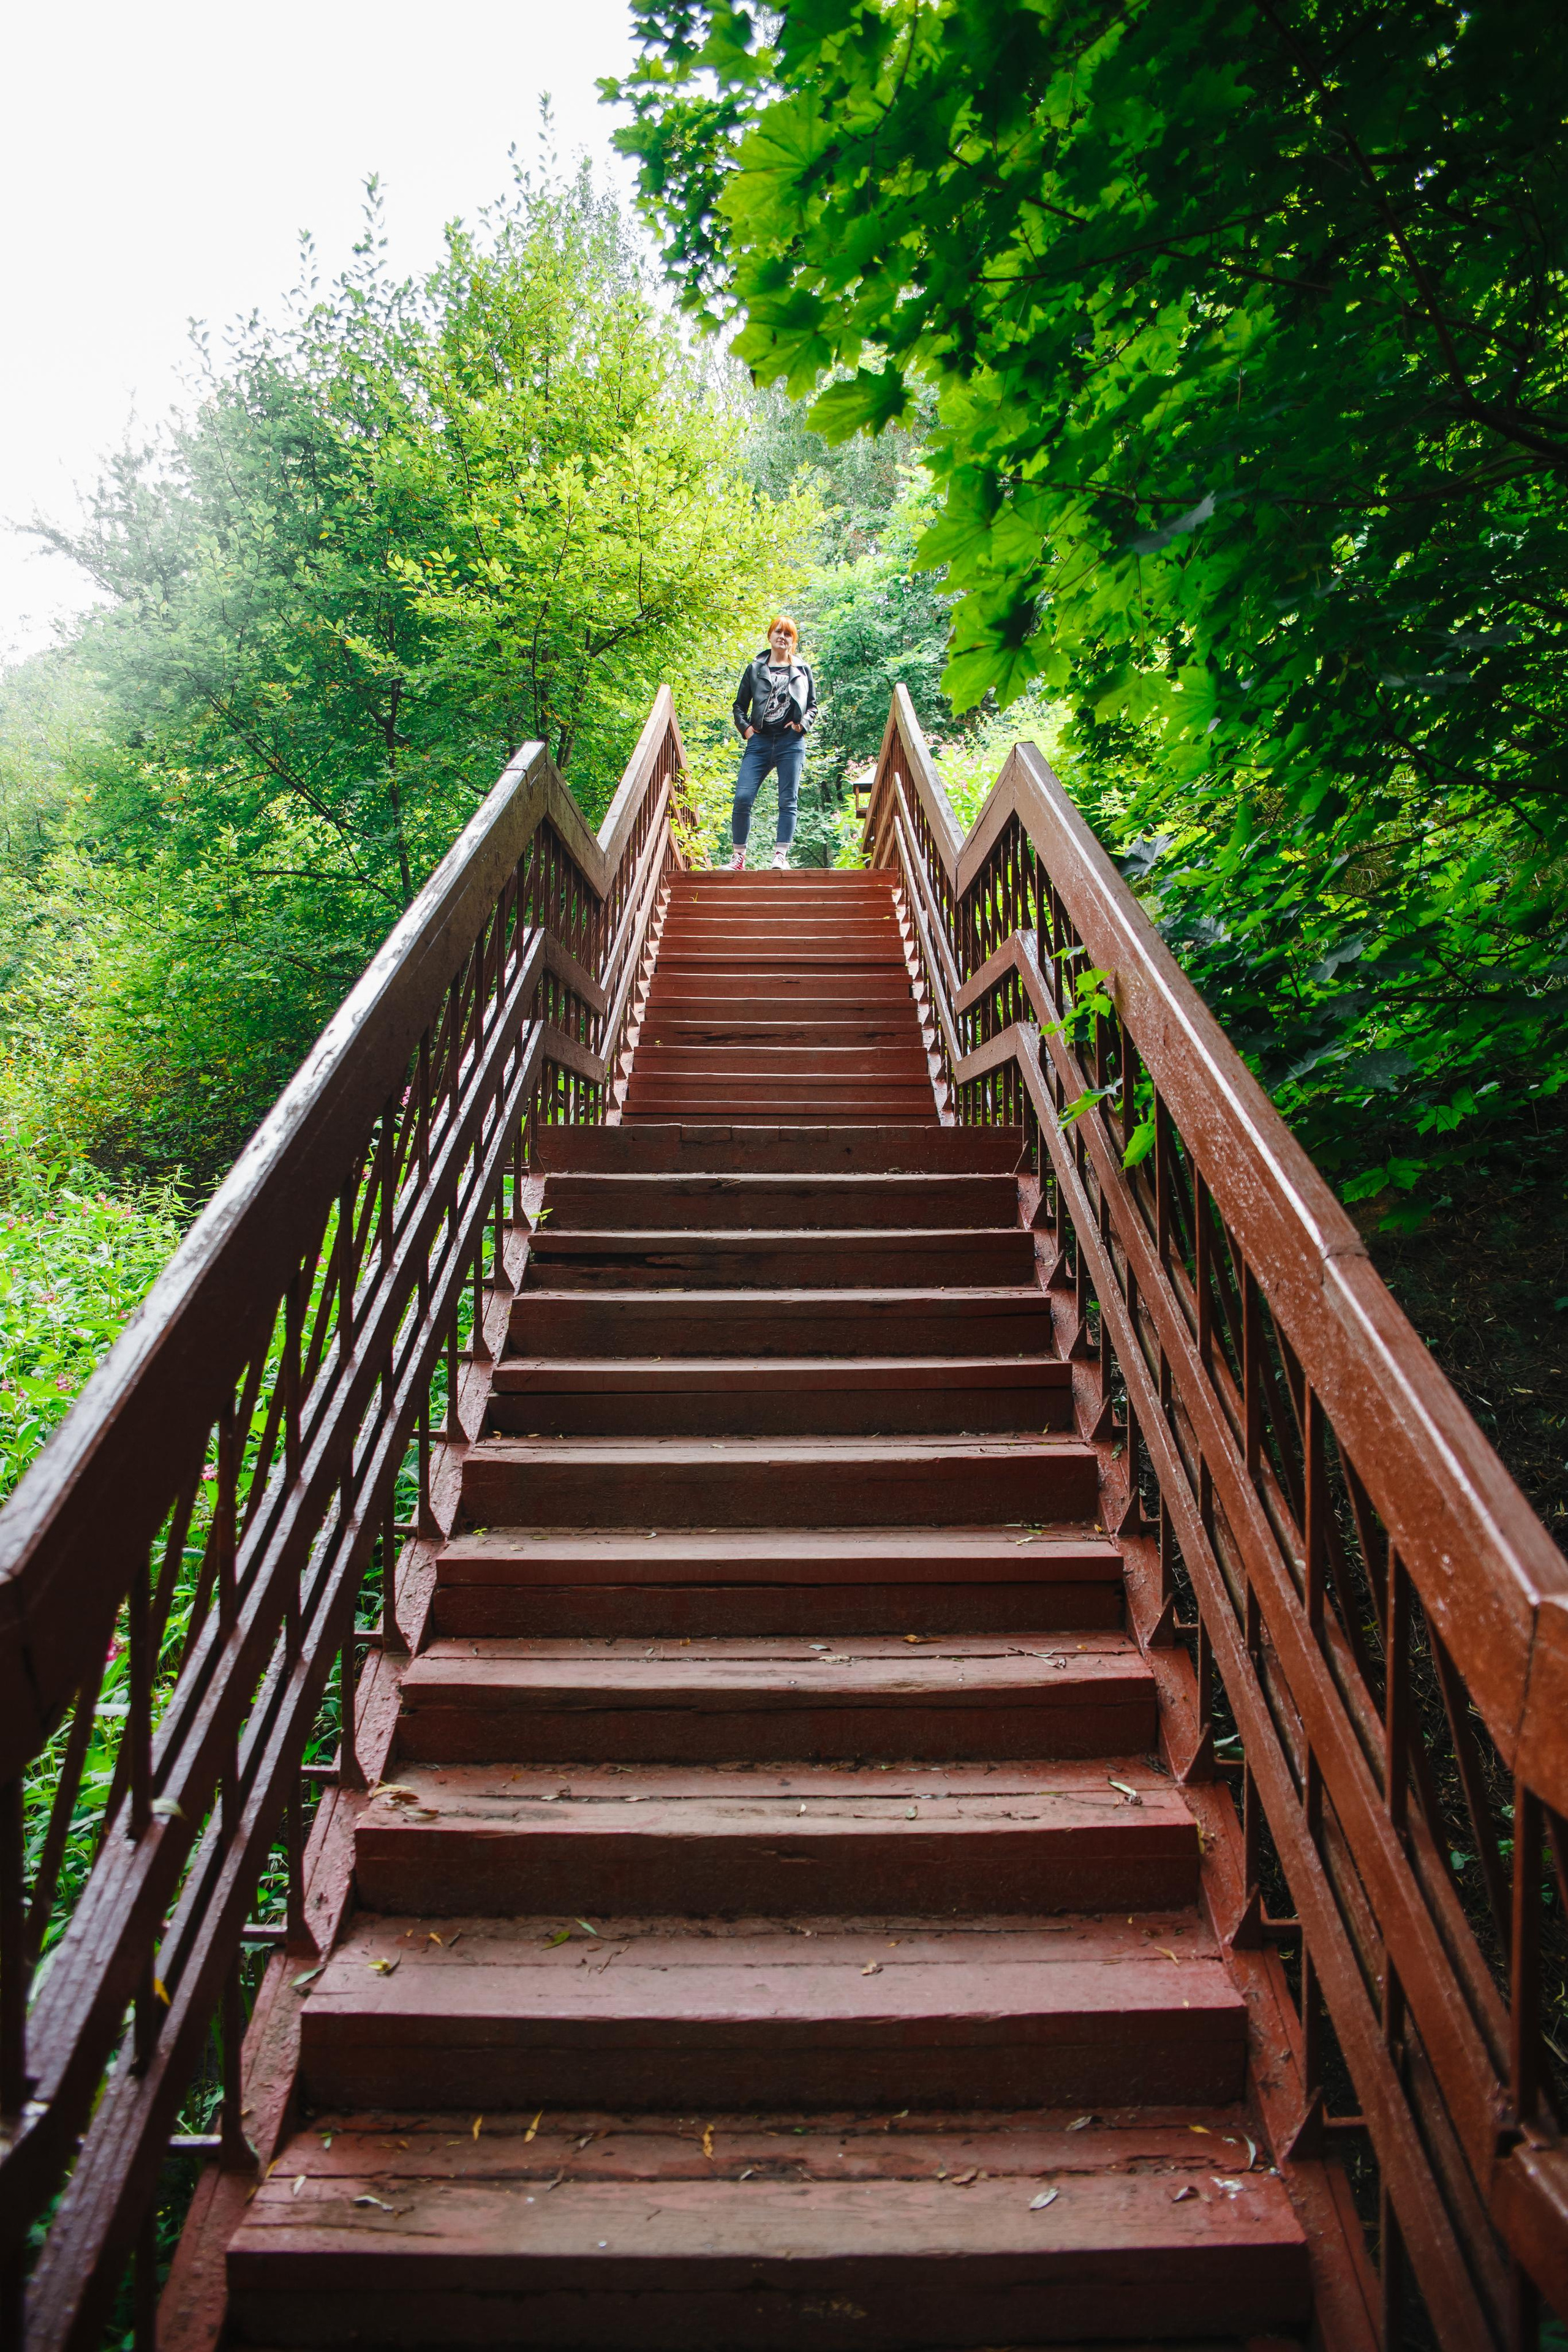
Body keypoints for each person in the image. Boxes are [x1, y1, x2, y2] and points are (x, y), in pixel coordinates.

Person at [729, 616, 818, 869]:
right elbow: (739, 706)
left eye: (788, 634)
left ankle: (780, 856)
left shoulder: (803, 669)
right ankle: (738, 858)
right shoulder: (755, 668)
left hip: (791, 742)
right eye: (778, 632)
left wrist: (802, 725)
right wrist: (746, 729)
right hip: (760, 741)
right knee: (743, 797)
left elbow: (812, 706)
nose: (782, 637)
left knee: (788, 799)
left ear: (793, 640)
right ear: (770, 636)